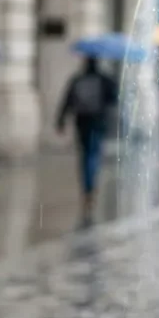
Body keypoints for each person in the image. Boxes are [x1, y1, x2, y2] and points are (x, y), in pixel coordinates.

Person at [56, 57, 119, 211]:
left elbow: (67, 100)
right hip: (98, 122)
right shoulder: (103, 79)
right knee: (93, 154)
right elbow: (114, 98)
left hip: (81, 122)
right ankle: (91, 186)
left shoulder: (77, 79)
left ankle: (86, 187)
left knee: (85, 155)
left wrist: (61, 120)